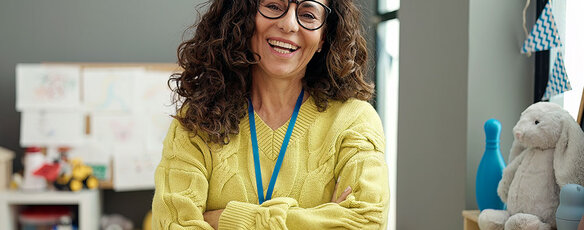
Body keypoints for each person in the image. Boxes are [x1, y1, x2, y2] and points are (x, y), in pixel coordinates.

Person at [151, 0, 389, 229]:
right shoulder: (197, 120)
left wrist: (232, 219)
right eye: (274, 6)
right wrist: (318, 220)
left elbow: (367, 221)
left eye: (308, 15)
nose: (289, 25)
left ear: (323, 37)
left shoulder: (354, 121)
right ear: (244, 18)